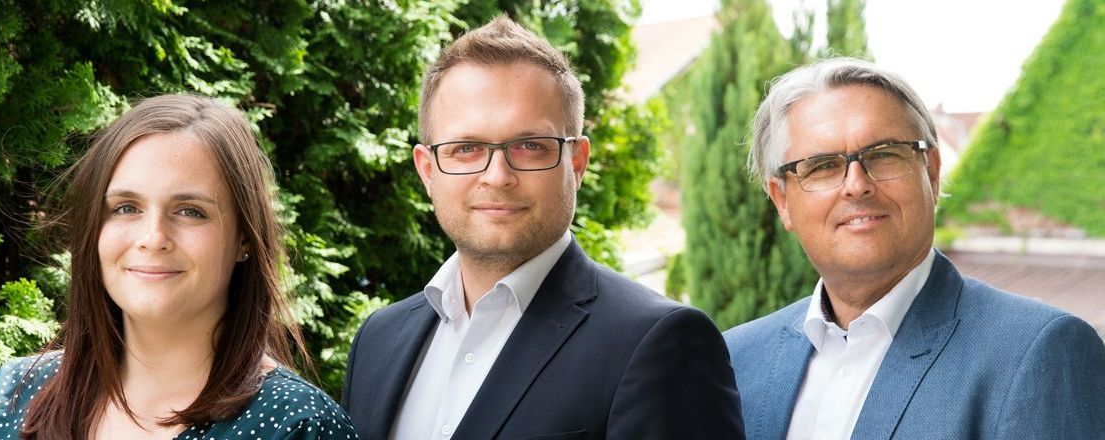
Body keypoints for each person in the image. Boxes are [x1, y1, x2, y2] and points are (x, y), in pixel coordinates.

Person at [341, 16, 743, 440]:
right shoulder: (377, 341)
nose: (497, 176)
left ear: (577, 163)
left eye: (530, 146)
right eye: (466, 148)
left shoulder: (660, 343)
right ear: (427, 170)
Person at [725, 57, 1105, 440]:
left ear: (932, 172)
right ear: (782, 200)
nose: (856, 185)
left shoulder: (1039, 353)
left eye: (883, 154)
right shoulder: (735, 361)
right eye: (822, 165)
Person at [0, 94, 358, 439]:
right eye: (126, 208)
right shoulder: (17, 395)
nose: (153, 238)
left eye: (190, 211)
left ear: (244, 237)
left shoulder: (299, 426)